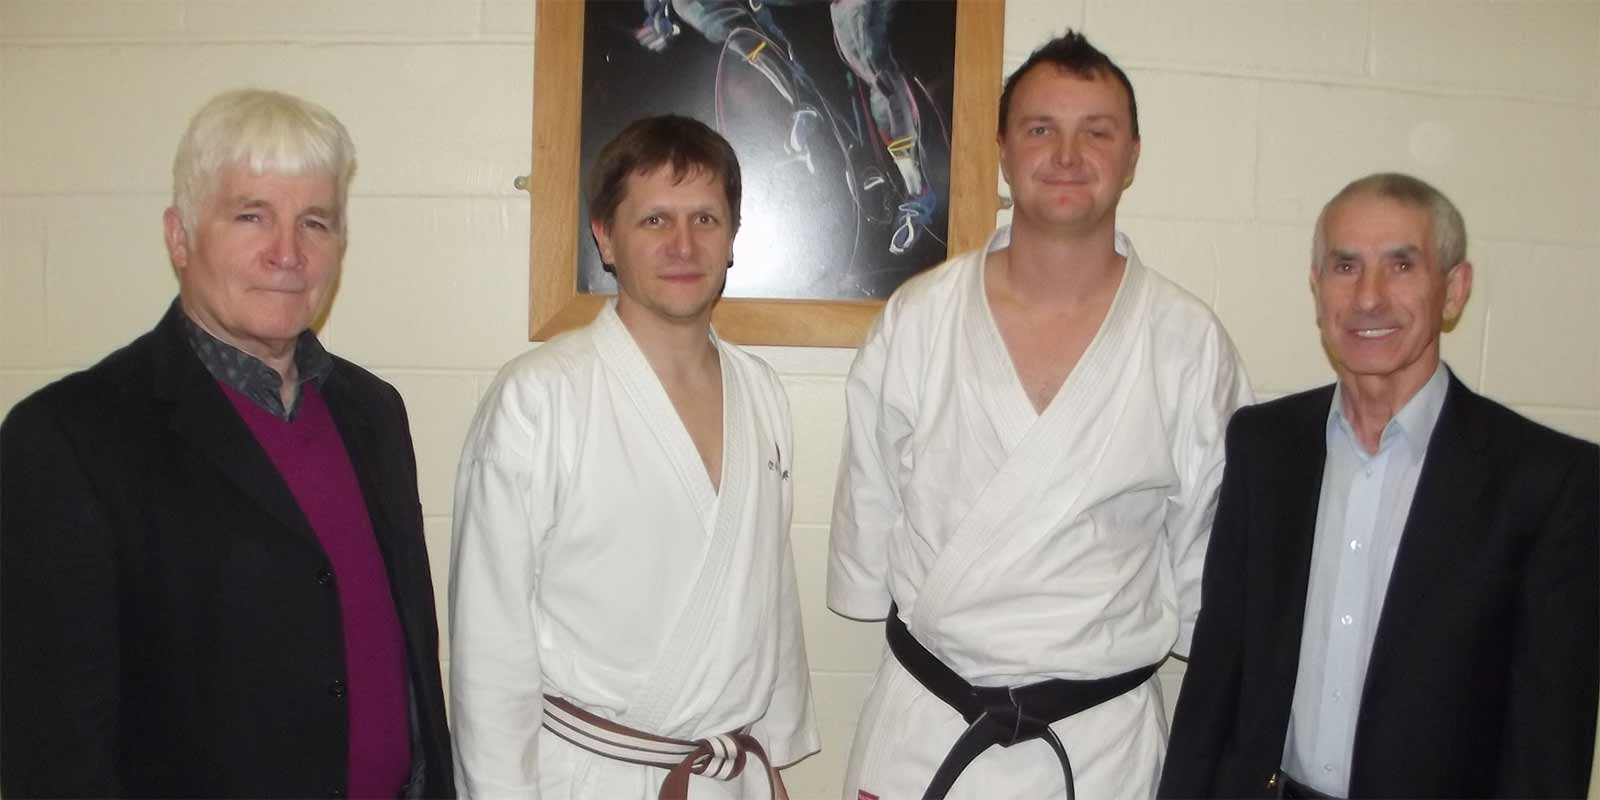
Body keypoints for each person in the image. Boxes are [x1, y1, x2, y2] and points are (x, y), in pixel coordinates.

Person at [827, 30, 1252, 800]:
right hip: (928, 724)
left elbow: (1207, 547)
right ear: (1001, 148)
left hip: (1099, 746)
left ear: (1132, 157)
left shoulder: (1188, 343)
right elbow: (870, 500)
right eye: (1040, 129)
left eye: (1097, 132)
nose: (1067, 154)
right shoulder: (919, 317)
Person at [0, 89, 453, 798]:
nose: (288, 253)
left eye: (316, 221)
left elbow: (409, 671)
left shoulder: (373, 412)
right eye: (252, 216)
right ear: (180, 237)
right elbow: (54, 750)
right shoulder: (69, 438)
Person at [1159, 172, 1600, 799]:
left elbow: (1547, 748)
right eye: (1345, 266)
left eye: (1401, 265)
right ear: (1317, 291)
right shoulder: (1264, 447)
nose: (1368, 297)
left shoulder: (1548, 483)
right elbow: (1216, 679)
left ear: (1453, 290)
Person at [448, 114, 818, 799]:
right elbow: (488, 645)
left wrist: (772, 748)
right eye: (654, 221)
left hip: (726, 776)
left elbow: (766, 591)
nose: (684, 244)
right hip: (589, 777)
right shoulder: (538, 397)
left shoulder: (761, 392)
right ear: (604, 236)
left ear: (733, 237)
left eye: (706, 219)